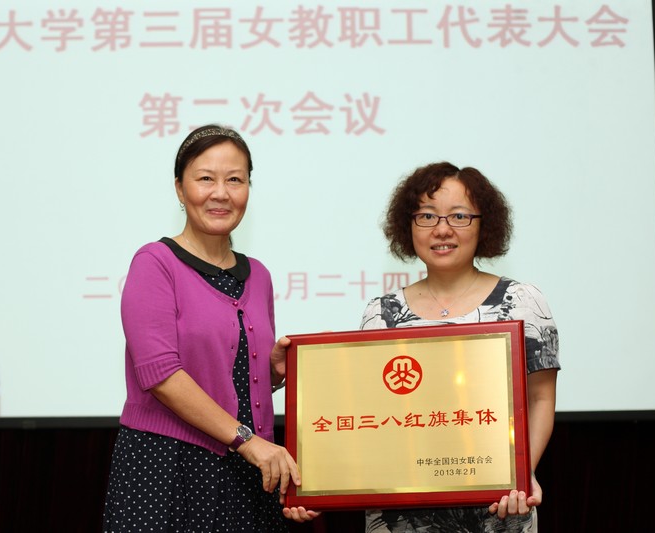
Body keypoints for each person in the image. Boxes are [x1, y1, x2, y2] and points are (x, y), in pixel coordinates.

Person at [103, 125, 318, 532]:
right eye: (205, 178)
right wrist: (247, 441)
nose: (221, 193)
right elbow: (160, 375)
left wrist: (273, 373)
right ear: (179, 189)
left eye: (235, 180)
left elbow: (228, 376)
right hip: (169, 468)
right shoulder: (155, 263)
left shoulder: (258, 275)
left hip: (247, 472)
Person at [360, 162, 560, 533]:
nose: (442, 229)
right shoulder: (380, 313)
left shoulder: (523, 301)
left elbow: (541, 399)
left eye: (459, 216)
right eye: (426, 216)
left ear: (484, 224)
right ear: (408, 225)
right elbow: (367, 414)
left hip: (500, 505)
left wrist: (521, 473)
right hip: (401, 512)